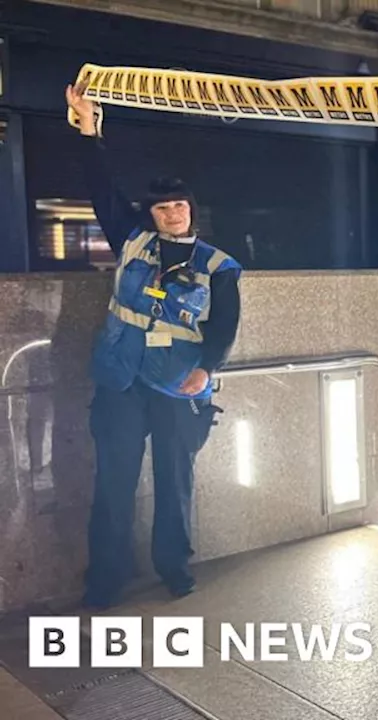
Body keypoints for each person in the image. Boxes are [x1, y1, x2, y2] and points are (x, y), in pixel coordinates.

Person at [66, 79, 243, 609]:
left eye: (180, 205)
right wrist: (88, 129)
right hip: (120, 376)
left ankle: (175, 567)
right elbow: (101, 188)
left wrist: (207, 370)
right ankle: (106, 577)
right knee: (113, 483)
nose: (172, 212)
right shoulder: (133, 241)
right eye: (163, 207)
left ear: (192, 209)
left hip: (176, 382)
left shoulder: (218, 266)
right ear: (152, 215)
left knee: (175, 481)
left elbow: (225, 326)